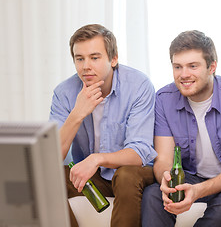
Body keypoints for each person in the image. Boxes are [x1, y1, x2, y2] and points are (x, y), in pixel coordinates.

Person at [49, 24, 157, 227]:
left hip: (133, 172)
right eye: (79, 58)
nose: (85, 66)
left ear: (113, 59)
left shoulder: (138, 85)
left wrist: (96, 159)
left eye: (94, 57)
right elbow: (52, 157)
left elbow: (139, 151)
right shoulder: (64, 93)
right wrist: (77, 114)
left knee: (126, 175)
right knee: (46, 178)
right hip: (92, 176)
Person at [141, 30, 221, 226]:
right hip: (190, 177)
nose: (184, 75)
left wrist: (199, 191)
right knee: (152, 194)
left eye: (193, 66)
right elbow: (163, 159)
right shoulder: (164, 99)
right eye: (178, 67)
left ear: (212, 67)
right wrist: (166, 181)